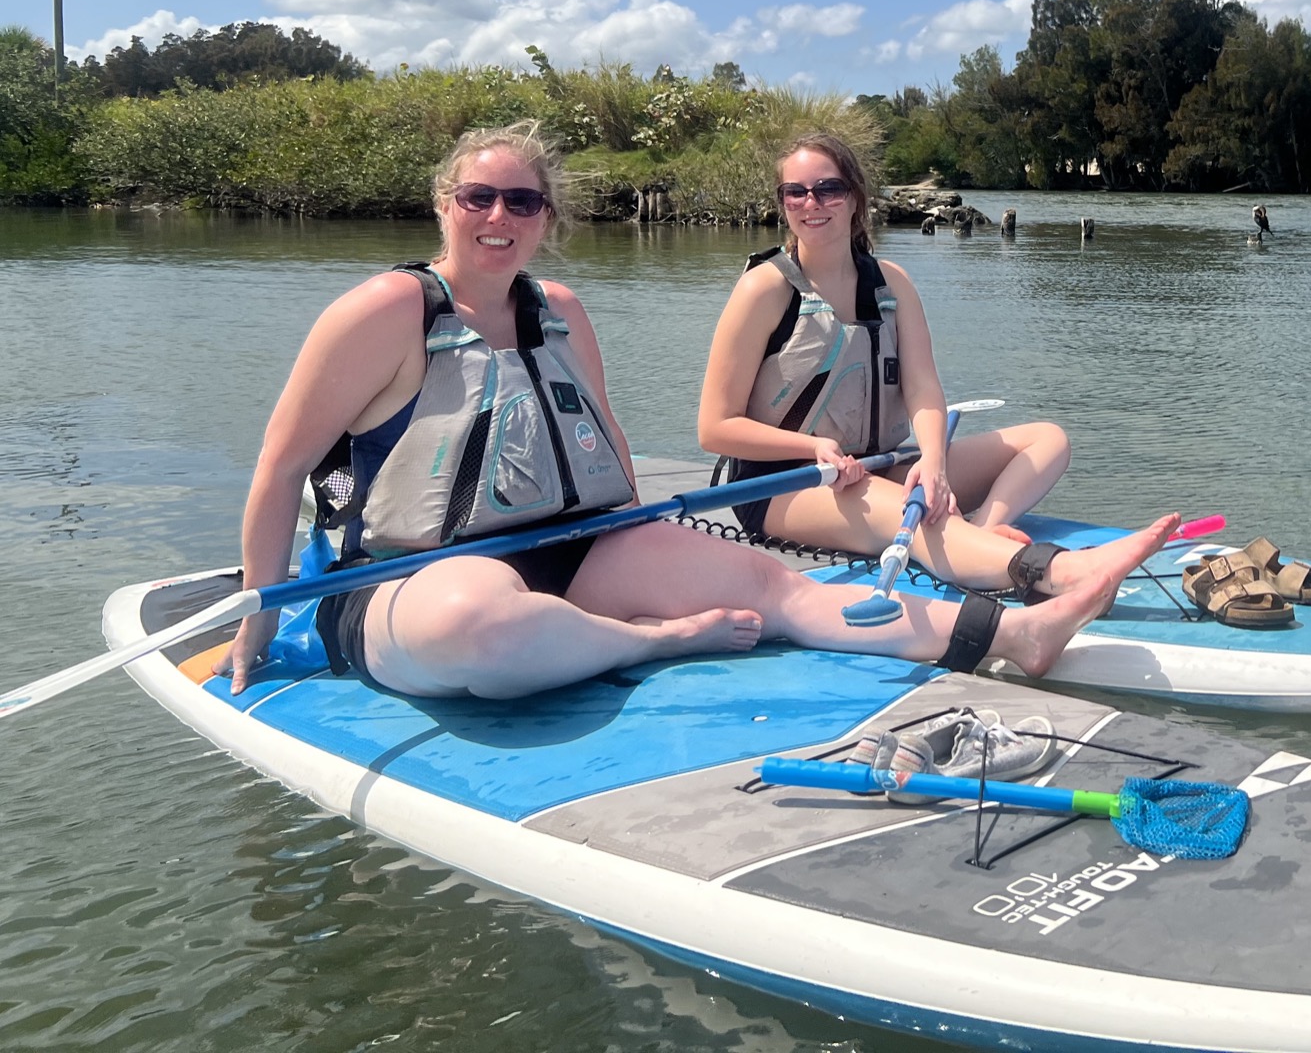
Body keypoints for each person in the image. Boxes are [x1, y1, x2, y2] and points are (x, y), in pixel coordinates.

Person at [220, 120, 1177, 699]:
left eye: (523, 201)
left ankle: (1018, 634)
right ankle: (651, 642)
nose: (500, 218)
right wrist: (257, 623)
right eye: (481, 197)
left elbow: (606, 444)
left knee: (778, 590)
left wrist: (648, 543)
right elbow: (280, 469)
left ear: (546, 216)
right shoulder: (386, 311)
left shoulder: (560, 313)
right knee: (483, 622)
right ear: (445, 203)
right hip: (410, 575)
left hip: (575, 544)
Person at [700, 134, 1128, 601]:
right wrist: (813, 446)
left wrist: (933, 462)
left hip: (874, 467)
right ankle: (1053, 573)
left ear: (855, 198)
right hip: (782, 486)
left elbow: (923, 388)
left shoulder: (892, 284)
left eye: (828, 189)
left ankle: (983, 531)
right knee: (908, 509)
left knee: (1048, 440)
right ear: (782, 201)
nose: (811, 203)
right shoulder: (763, 290)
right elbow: (714, 428)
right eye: (795, 192)